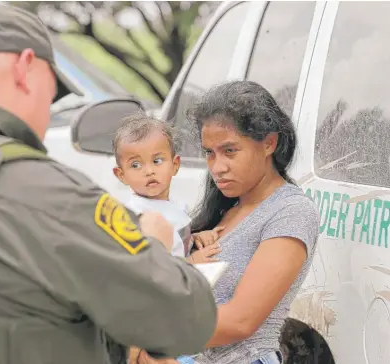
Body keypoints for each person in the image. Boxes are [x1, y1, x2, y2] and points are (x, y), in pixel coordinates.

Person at [0, 4, 218, 364]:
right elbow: (187, 319)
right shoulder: (42, 192)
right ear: (24, 68)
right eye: (52, 90)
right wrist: (156, 248)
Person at [136, 81, 320, 364]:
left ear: (269, 143)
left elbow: (240, 321)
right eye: (210, 153)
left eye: (230, 151)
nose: (217, 167)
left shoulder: (290, 211)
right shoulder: (224, 210)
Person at [112, 113, 224, 264]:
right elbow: (152, 266)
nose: (149, 171)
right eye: (136, 165)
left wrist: (194, 238)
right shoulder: (138, 217)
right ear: (121, 175)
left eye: (157, 161)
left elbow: (175, 243)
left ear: (175, 165)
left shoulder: (174, 205)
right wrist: (191, 261)